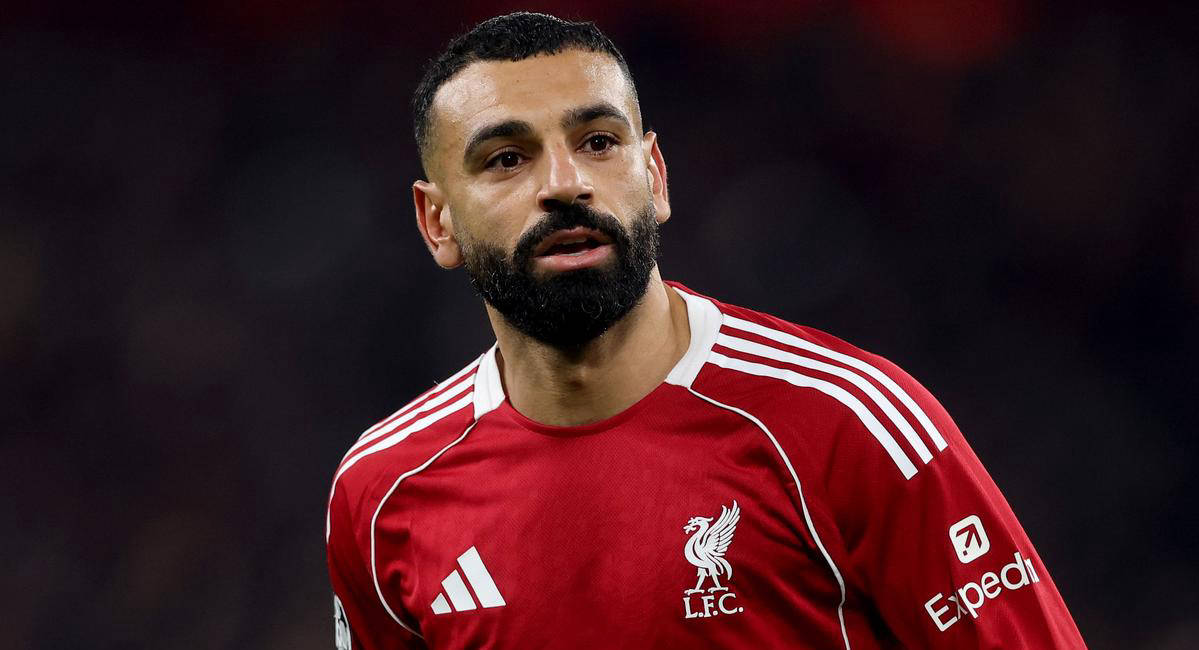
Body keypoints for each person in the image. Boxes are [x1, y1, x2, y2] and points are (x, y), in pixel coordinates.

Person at [325, 11, 1087, 649]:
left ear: (655, 176)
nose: (564, 183)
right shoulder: (380, 494)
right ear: (437, 221)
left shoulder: (849, 424)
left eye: (598, 142)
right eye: (506, 158)